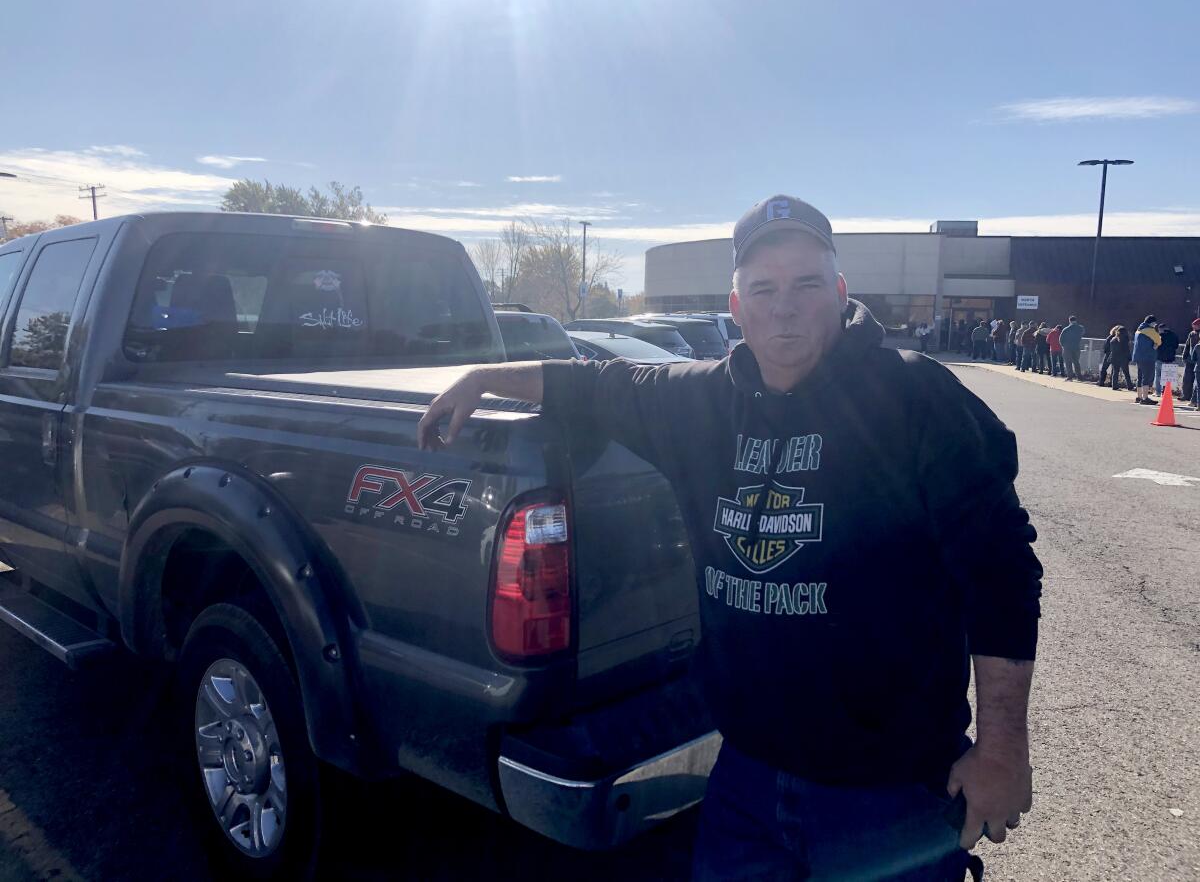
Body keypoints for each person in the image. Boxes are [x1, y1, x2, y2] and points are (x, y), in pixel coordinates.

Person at [419, 194, 1041, 882]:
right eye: (764, 289)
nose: (785, 306)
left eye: (806, 284)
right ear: (737, 306)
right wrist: (485, 377)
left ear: (839, 294)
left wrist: (1003, 749)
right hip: (745, 778)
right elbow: (595, 383)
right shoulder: (700, 400)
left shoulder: (917, 399)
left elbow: (1003, 571)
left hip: (888, 790)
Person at [1132, 315, 1161, 405]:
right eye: (1155, 323)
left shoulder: (1138, 330)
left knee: (1140, 377)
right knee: (1147, 377)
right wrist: (1156, 344)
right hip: (1147, 357)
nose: (1155, 325)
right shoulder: (1150, 330)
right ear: (1152, 323)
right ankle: (1145, 398)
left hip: (1138, 356)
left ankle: (1139, 396)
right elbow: (1159, 340)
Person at [1155, 323, 1180, 396]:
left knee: (1158, 376)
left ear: (1160, 329)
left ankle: (1158, 392)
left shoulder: (1159, 336)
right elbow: (1176, 346)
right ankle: (1165, 392)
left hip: (1160, 358)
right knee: (1167, 377)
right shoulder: (1174, 335)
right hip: (1170, 358)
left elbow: (1156, 346)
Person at [1059, 316, 1085, 381]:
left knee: (1068, 363)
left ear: (1069, 321)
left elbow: (1061, 339)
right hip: (1076, 347)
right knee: (1076, 362)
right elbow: (1082, 333)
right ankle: (1079, 377)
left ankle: (1070, 377)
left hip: (1067, 348)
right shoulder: (1080, 328)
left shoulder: (1066, 329)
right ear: (1076, 320)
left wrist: (1064, 346)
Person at [1108, 326, 1133, 392]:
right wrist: (1129, 358)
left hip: (1114, 358)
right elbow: (1126, 350)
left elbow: (1112, 350)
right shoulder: (1125, 339)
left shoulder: (1113, 339)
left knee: (1115, 372)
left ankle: (1114, 386)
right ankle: (1130, 386)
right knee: (1126, 373)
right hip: (1123, 358)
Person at [1182, 318, 1200, 403]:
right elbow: (1187, 345)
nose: (1193, 327)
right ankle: (1186, 395)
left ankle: (1194, 399)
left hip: (1197, 360)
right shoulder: (1192, 334)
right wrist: (1184, 356)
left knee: (1197, 382)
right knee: (1187, 379)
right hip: (1190, 359)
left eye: (1195, 325)